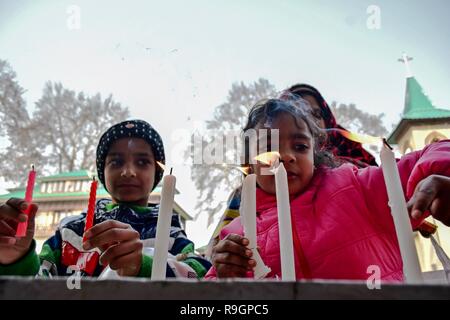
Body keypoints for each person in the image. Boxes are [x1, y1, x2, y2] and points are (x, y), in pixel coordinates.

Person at [205, 98, 450, 281]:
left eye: (300, 146)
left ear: (315, 153)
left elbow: (437, 150)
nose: (287, 156)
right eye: (269, 147)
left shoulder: (357, 189)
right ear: (249, 162)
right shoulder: (238, 233)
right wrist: (223, 274)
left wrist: (437, 174)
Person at [0, 119, 211, 278]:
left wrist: (142, 265)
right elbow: (41, 284)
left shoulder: (170, 232)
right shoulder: (71, 231)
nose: (128, 171)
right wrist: (16, 259)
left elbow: (200, 274)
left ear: (157, 173)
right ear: (102, 172)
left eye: (142, 162)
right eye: (116, 162)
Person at [206, 83, 377, 258]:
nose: (285, 156)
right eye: (296, 109)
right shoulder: (245, 201)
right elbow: (218, 257)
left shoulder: (351, 181)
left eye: (316, 114)